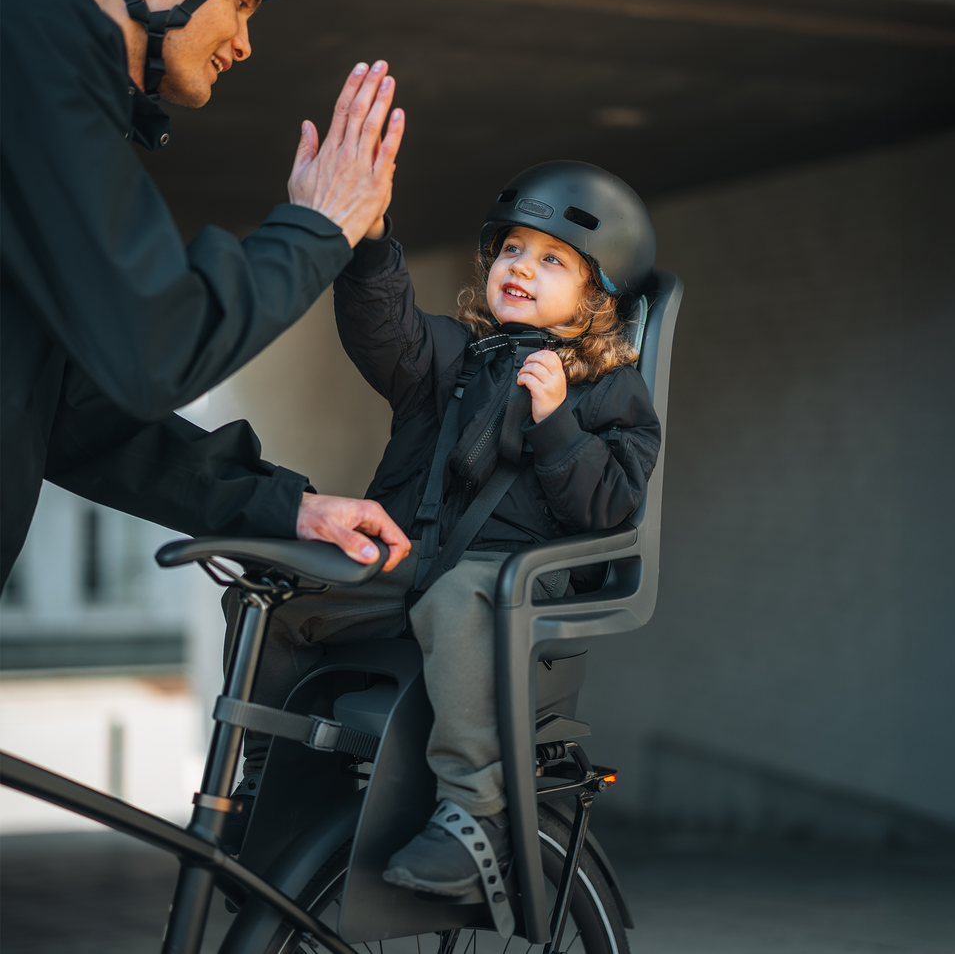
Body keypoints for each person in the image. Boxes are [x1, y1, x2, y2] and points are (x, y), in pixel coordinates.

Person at [228, 160, 662, 896]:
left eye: (551, 258)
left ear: (597, 297)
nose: (519, 266)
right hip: (413, 561)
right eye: (512, 249)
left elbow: (612, 505)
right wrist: (368, 245)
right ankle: (273, 782)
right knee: (278, 599)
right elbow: (383, 328)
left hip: (509, 581)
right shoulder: (451, 357)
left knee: (457, 595)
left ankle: (474, 815)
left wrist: (557, 425)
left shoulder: (607, 388)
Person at [0, 0, 411, 589]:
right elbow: (156, 344)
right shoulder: (27, 38)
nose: (245, 42)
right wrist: (320, 227)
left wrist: (282, 507)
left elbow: (70, 409)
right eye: (242, 1)